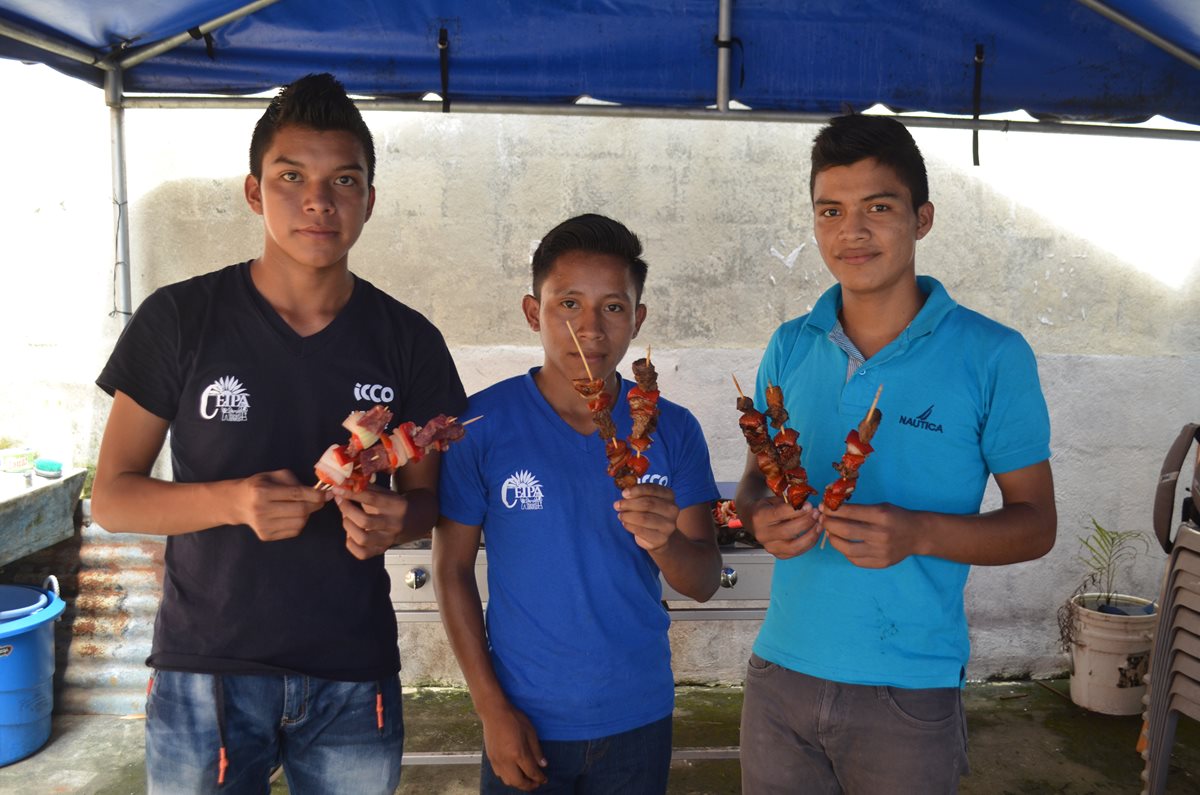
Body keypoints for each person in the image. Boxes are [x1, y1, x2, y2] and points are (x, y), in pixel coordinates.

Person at [90, 73, 466, 794]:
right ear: (255, 192)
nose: (318, 200)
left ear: (369, 201)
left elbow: (427, 503)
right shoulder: (179, 319)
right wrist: (236, 500)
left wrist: (396, 519)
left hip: (353, 674)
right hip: (206, 675)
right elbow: (114, 496)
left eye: (343, 180)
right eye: (291, 175)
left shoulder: (410, 341)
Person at [735, 114, 1056, 794]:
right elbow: (752, 488)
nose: (852, 231)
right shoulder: (789, 345)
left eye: (878, 207)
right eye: (831, 210)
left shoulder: (993, 355)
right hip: (780, 675)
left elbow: (1035, 522)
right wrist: (761, 519)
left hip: (908, 688)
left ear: (922, 218)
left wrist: (917, 532)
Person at [434, 214, 723, 793]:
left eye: (613, 308)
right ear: (530, 311)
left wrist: (665, 541)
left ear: (637, 319)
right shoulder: (480, 426)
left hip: (638, 714)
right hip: (524, 717)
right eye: (568, 304)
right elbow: (451, 571)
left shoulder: (673, 428)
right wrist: (491, 711)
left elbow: (704, 580)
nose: (590, 329)